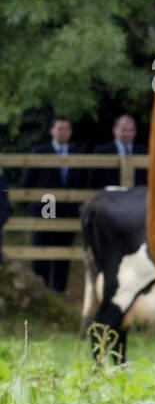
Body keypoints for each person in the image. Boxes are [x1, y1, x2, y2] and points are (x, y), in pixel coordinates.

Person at [21, 116, 84, 292]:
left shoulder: (77, 153)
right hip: (46, 207)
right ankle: (40, 294)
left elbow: (82, 182)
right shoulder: (40, 152)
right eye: (59, 128)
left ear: (70, 132)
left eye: (66, 129)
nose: (63, 132)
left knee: (63, 255)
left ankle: (59, 294)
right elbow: (28, 182)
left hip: (68, 211)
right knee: (42, 252)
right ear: (52, 131)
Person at [93, 113, 147, 187]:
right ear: (114, 130)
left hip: (137, 196)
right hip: (109, 196)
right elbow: (94, 181)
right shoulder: (101, 151)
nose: (127, 134)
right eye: (123, 130)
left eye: (131, 130)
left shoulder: (143, 151)